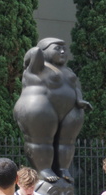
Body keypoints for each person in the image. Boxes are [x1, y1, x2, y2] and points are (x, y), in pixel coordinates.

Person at [14, 38, 92, 183]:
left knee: (67, 142)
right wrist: (37, 51)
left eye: (64, 49)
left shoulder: (68, 71)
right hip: (41, 107)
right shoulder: (37, 66)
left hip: (69, 110)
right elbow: (34, 52)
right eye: (57, 48)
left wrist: (79, 100)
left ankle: (63, 168)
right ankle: (43, 168)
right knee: (42, 141)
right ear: (44, 51)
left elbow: (74, 87)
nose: (62, 52)